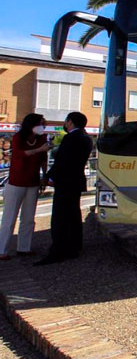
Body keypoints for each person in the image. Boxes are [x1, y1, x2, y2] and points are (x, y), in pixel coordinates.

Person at [34, 112, 93, 266]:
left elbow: (62, 161)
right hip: (76, 181)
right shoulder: (86, 138)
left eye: (66, 121)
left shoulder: (71, 138)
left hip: (65, 182)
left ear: (70, 122)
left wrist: (49, 177)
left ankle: (58, 250)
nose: (65, 124)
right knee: (73, 215)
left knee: (60, 217)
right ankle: (74, 247)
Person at [0, 114, 51, 260]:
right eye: (40, 124)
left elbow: (43, 159)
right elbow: (19, 154)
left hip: (33, 182)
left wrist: (45, 176)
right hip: (16, 182)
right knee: (9, 218)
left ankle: (24, 248)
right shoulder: (18, 138)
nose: (42, 127)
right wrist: (38, 150)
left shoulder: (42, 139)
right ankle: (2, 250)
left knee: (28, 218)